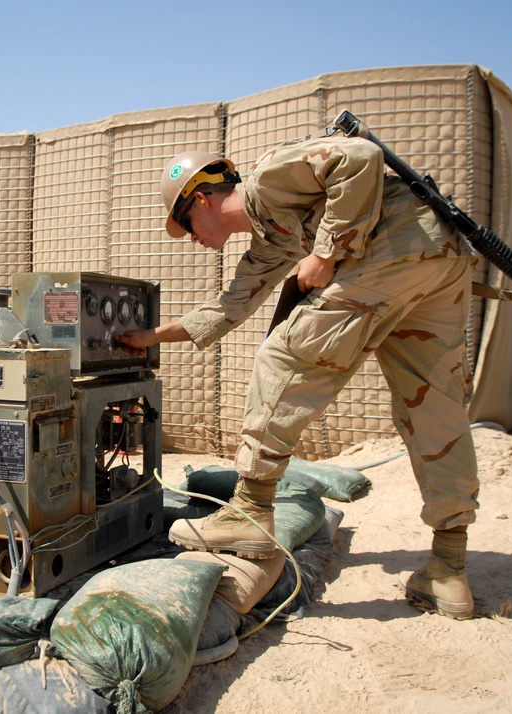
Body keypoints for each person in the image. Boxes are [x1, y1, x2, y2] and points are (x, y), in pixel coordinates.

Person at [116, 116, 480, 620]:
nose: (192, 240)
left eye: (187, 228)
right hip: (438, 259)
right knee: (432, 407)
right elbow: (228, 309)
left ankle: (249, 507)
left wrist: (328, 254)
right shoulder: (271, 242)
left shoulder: (267, 178)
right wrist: (151, 337)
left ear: (199, 199)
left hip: (396, 247)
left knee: (282, 356)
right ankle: (448, 568)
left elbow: (361, 157)